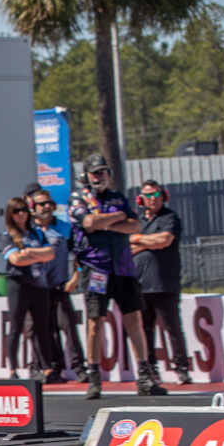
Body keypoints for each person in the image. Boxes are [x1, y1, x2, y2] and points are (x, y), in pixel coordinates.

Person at [69, 153, 165, 398]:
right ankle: (94, 378)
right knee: (95, 323)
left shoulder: (118, 197)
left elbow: (135, 226)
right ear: (86, 176)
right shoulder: (78, 197)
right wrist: (117, 217)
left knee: (134, 320)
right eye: (95, 172)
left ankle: (144, 376)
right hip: (96, 268)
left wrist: (107, 222)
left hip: (123, 267)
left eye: (103, 171)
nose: (100, 176)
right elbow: (88, 221)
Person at [131, 180, 190, 385]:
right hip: (140, 284)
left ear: (163, 196)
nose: (152, 199)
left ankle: (181, 367)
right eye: (148, 195)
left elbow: (164, 240)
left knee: (172, 327)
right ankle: (150, 368)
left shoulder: (169, 217)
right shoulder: (137, 220)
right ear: (141, 199)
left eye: (156, 195)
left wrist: (138, 240)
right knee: (145, 329)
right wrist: (148, 241)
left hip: (164, 282)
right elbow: (126, 246)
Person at [22, 185, 83, 384]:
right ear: (33, 207)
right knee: (40, 330)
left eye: (49, 203)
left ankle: (79, 367)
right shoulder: (28, 230)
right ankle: (45, 366)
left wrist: (76, 277)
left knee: (68, 327)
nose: (46, 207)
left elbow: (79, 256)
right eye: (41, 204)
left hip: (59, 286)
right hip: (37, 288)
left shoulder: (65, 227)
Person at [0, 196, 63, 379]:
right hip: (19, 284)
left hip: (40, 284)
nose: (21, 214)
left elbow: (50, 254)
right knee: (16, 326)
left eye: (24, 210)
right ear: (10, 214)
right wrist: (37, 255)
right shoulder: (7, 236)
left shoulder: (37, 234)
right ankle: (13, 369)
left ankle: (47, 368)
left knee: (42, 327)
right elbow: (16, 260)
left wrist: (28, 251)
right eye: (16, 211)